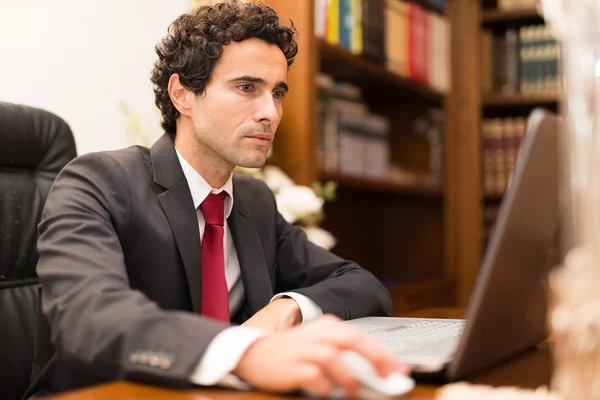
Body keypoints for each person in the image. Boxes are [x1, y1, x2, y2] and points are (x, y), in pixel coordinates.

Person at [25, 1, 408, 398]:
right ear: (182, 95)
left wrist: (288, 307)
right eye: (247, 88)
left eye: (277, 93)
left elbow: (362, 285)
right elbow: (89, 317)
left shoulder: (254, 201)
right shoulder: (98, 183)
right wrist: (245, 352)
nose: (270, 113)